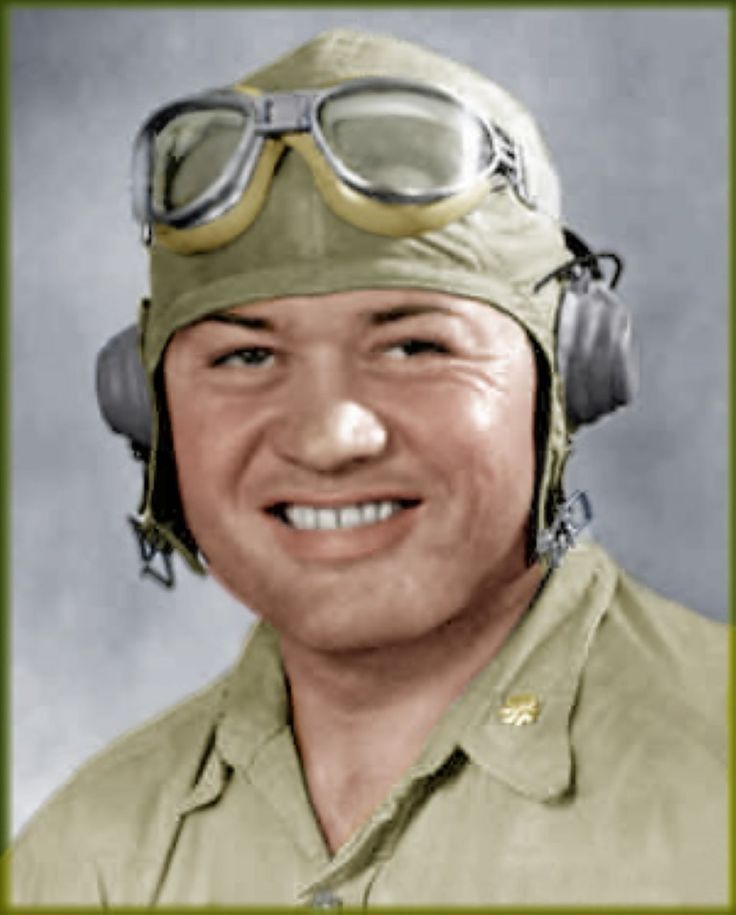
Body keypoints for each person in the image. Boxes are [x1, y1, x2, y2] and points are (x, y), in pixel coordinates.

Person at [10, 29, 726, 907]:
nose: (328, 435)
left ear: (570, 378)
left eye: (415, 344)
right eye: (244, 357)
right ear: (147, 413)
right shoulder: (89, 858)